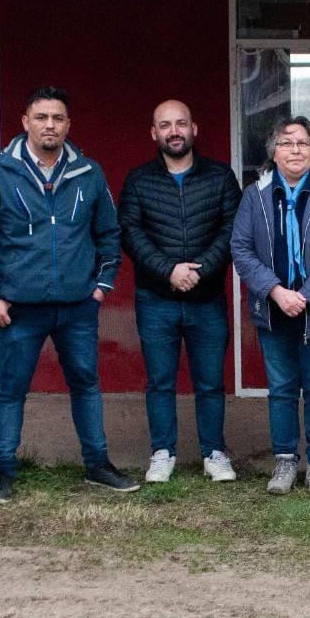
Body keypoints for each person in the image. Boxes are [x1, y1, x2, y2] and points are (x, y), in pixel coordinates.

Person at [0, 86, 138, 504]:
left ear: (68, 125)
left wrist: (100, 287)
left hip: (77, 306)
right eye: (41, 117)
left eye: (57, 118)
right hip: (18, 307)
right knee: (11, 388)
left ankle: (97, 464)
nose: (49, 125)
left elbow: (109, 234)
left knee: (86, 384)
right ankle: (2, 471)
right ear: (25, 122)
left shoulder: (88, 173)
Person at [230, 115, 310, 496]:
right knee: (282, 389)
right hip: (273, 310)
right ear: (273, 151)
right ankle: (285, 461)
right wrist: (276, 291)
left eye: (303, 143)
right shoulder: (255, 195)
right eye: (287, 143)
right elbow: (241, 248)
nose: (296, 150)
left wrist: (307, 295)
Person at [119, 99, 241, 484]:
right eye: (166, 125)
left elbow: (232, 230)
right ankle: (162, 452)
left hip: (207, 300)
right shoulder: (139, 180)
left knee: (209, 382)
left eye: (181, 123)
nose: (174, 131)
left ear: (194, 129)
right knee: (160, 381)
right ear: (154, 133)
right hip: (157, 299)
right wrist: (168, 270)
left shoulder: (221, 178)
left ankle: (214, 453)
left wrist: (198, 272)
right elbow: (130, 233)